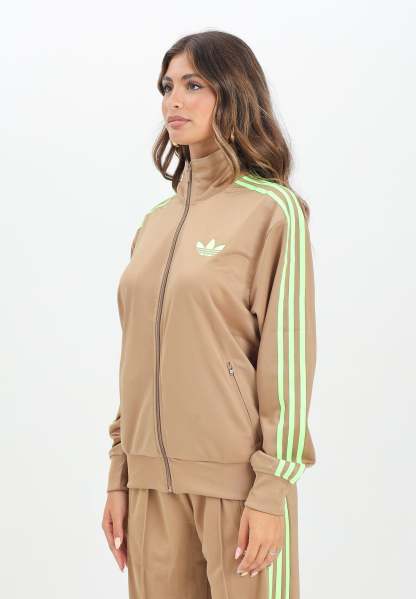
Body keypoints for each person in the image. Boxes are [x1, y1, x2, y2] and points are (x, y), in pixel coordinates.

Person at [101, 30, 317, 599]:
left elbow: (288, 360)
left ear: (233, 92)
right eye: (167, 86)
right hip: (149, 486)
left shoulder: (272, 211)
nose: (174, 100)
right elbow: (135, 358)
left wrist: (271, 490)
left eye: (194, 85)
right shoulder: (155, 223)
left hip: (237, 487)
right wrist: (120, 474)